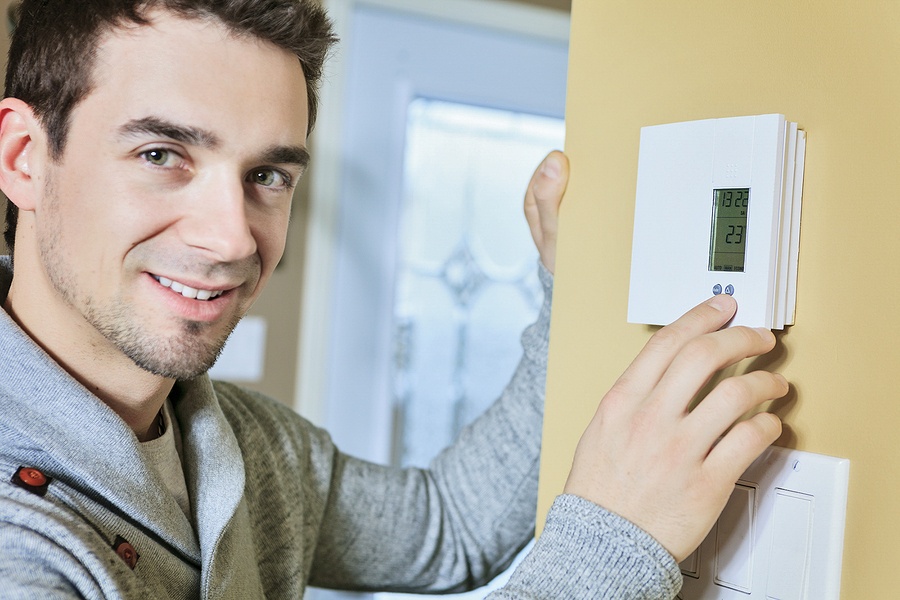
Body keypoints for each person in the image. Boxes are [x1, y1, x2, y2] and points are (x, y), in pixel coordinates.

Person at [0, 1, 787, 598]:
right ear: (24, 156)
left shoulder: (245, 445)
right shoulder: (21, 546)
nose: (233, 238)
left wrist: (563, 291)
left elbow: (446, 526)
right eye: (162, 154)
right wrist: (613, 545)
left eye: (268, 176)